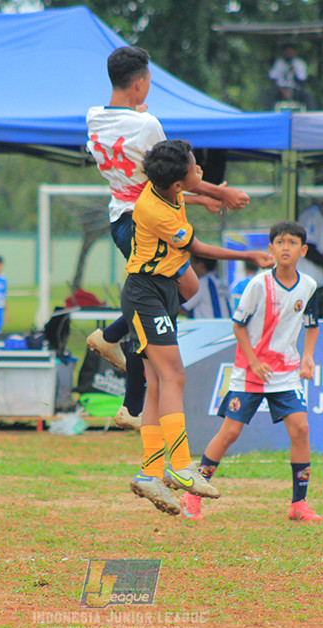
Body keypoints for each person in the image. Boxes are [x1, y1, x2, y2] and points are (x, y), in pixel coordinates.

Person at [85, 45, 251, 430]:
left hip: (124, 218)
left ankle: (112, 341)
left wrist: (196, 201)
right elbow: (175, 175)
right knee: (162, 298)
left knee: (171, 295)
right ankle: (131, 401)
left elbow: (150, 186)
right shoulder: (148, 126)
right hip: (142, 224)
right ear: (141, 84)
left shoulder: (93, 119)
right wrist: (219, 193)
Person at [122, 139, 273, 516]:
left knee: (159, 382)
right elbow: (199, 248)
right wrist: (249, 254)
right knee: (174, 376)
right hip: (146, 294)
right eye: (194, 168)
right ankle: (181, 464)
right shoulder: (157, 212)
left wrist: (205, 196)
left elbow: (179, 199)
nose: (200, 171)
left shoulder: (163, 192)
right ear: (177, 182)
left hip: (161, 290)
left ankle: (150, 472)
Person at [181, 221, 321, 522]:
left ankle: (299, 503)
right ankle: (192, 494)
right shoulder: (258, 285)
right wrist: (254, 361)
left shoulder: (309, 286)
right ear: (270, 248)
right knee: (230, 432)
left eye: (293, 242)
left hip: (286, 373)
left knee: (301, 429)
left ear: (303, 250)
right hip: (250, 372)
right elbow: (238, 325)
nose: (286, 247)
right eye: (280, 242)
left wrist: (308, 357)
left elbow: (312, 323)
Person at [268, 43, 315, 110]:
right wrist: (282, 90)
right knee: (270, 95)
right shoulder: (278, 63)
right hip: (281, 90)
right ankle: (270, 116)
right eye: (287, 52)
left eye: (291, 52)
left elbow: (302, 82)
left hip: (295, 90)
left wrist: (295, 73)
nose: (289, 54)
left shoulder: (300, 64)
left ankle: (310, 117)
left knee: (308, 97)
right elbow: (273, 79)